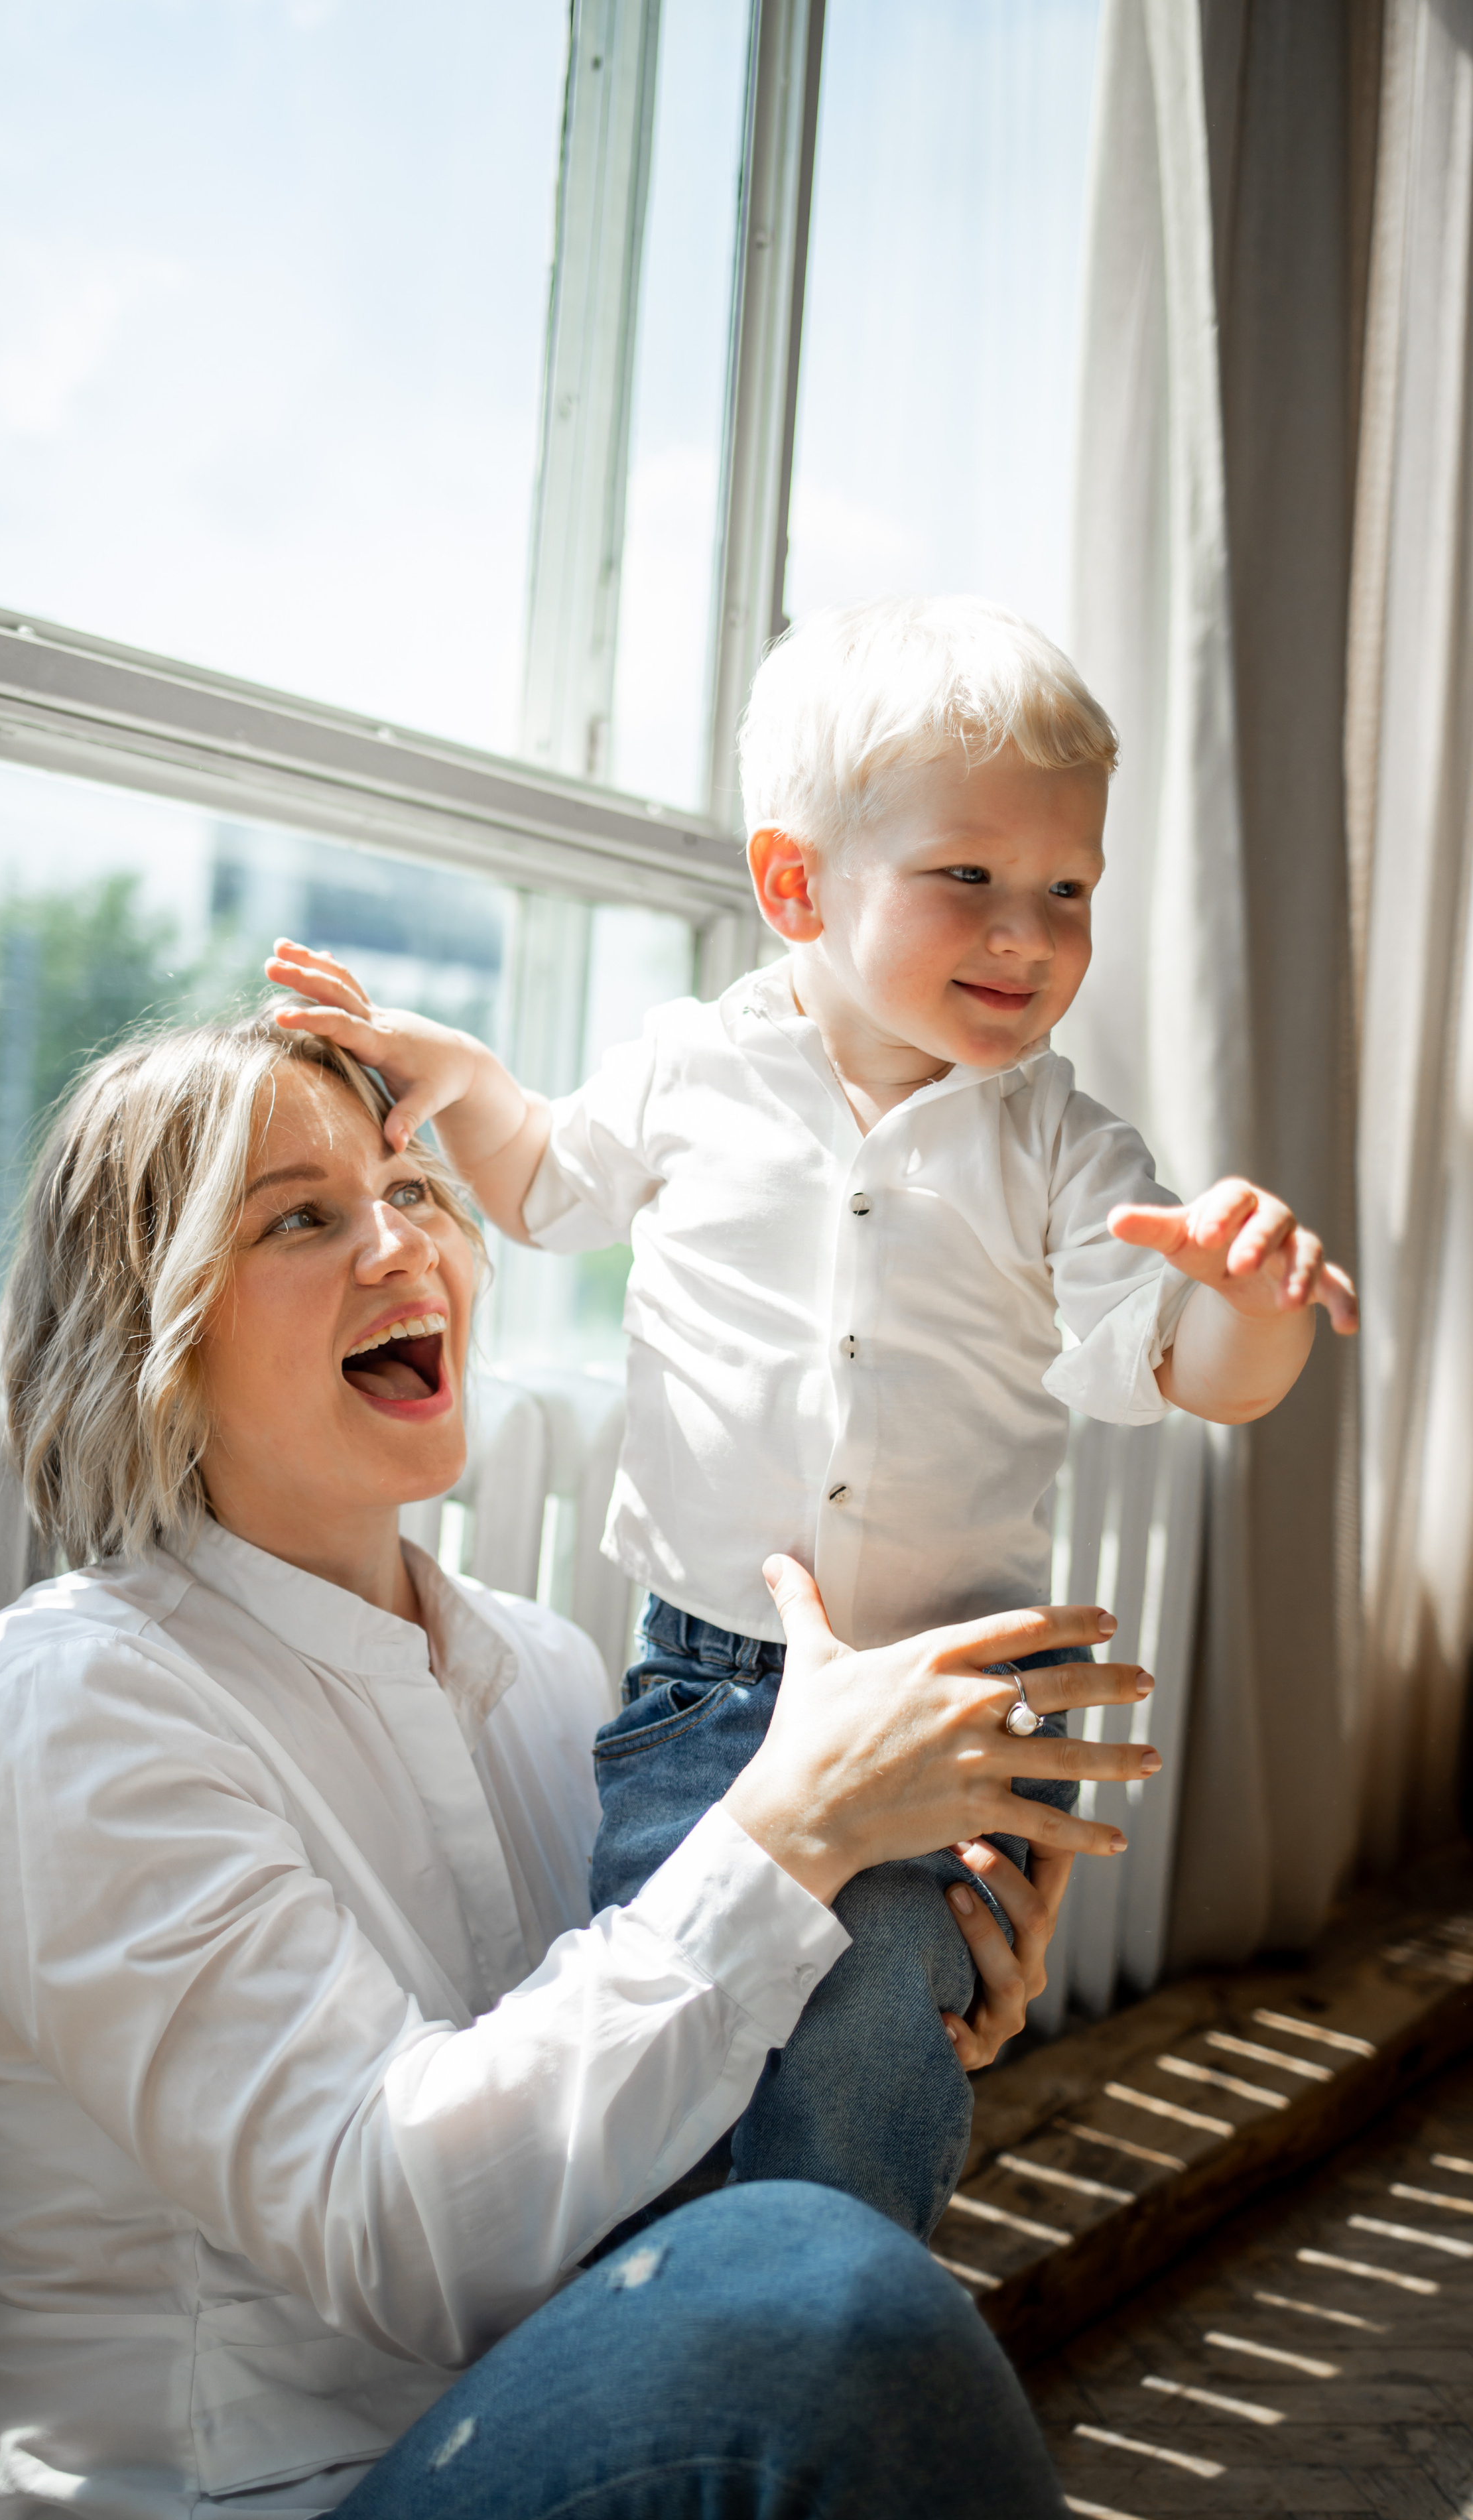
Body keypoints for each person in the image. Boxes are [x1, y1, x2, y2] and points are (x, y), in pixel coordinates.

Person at [0, 1009, 1151, 2520]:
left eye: (415, 1190)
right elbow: (400, 2235)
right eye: (301, 1217)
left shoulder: (549, 1671)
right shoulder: (80, 1708)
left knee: (824, 2276)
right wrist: (789, 1837)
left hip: (554, 2433)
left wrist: (890, 1967)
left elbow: (644, 2127)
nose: (399, 1246)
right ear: (150, 1329)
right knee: (825, 2304)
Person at [265, 594, 1360, 2240]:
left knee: (853, 2064)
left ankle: (821, 2337)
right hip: (702, 1680)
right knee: (663, 2046)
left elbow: (1183, 1367)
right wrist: (462, 1079)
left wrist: (1250, 1305)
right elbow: (550, 1184)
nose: (1028, 932)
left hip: (951, 1711)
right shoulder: (694, 1066)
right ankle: (674, 2351)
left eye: (1067, 889)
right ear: (795, 886)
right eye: (967, 879)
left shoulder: (1062, 1145)